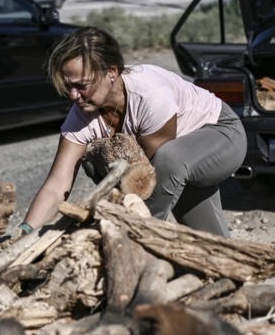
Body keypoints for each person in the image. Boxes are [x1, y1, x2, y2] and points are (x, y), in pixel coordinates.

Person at [18, 26, 246, 237]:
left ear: (112, 72)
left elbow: (148, 176)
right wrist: (26, 231)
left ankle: (137, 237)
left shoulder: (150, 93)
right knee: (211, 243)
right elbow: (57, 184)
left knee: (168, 160)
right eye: (69, 86)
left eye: (81, 85)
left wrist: (122, 231)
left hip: (221, 135)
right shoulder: (81, 116)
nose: (73, 95)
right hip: (180, 159)